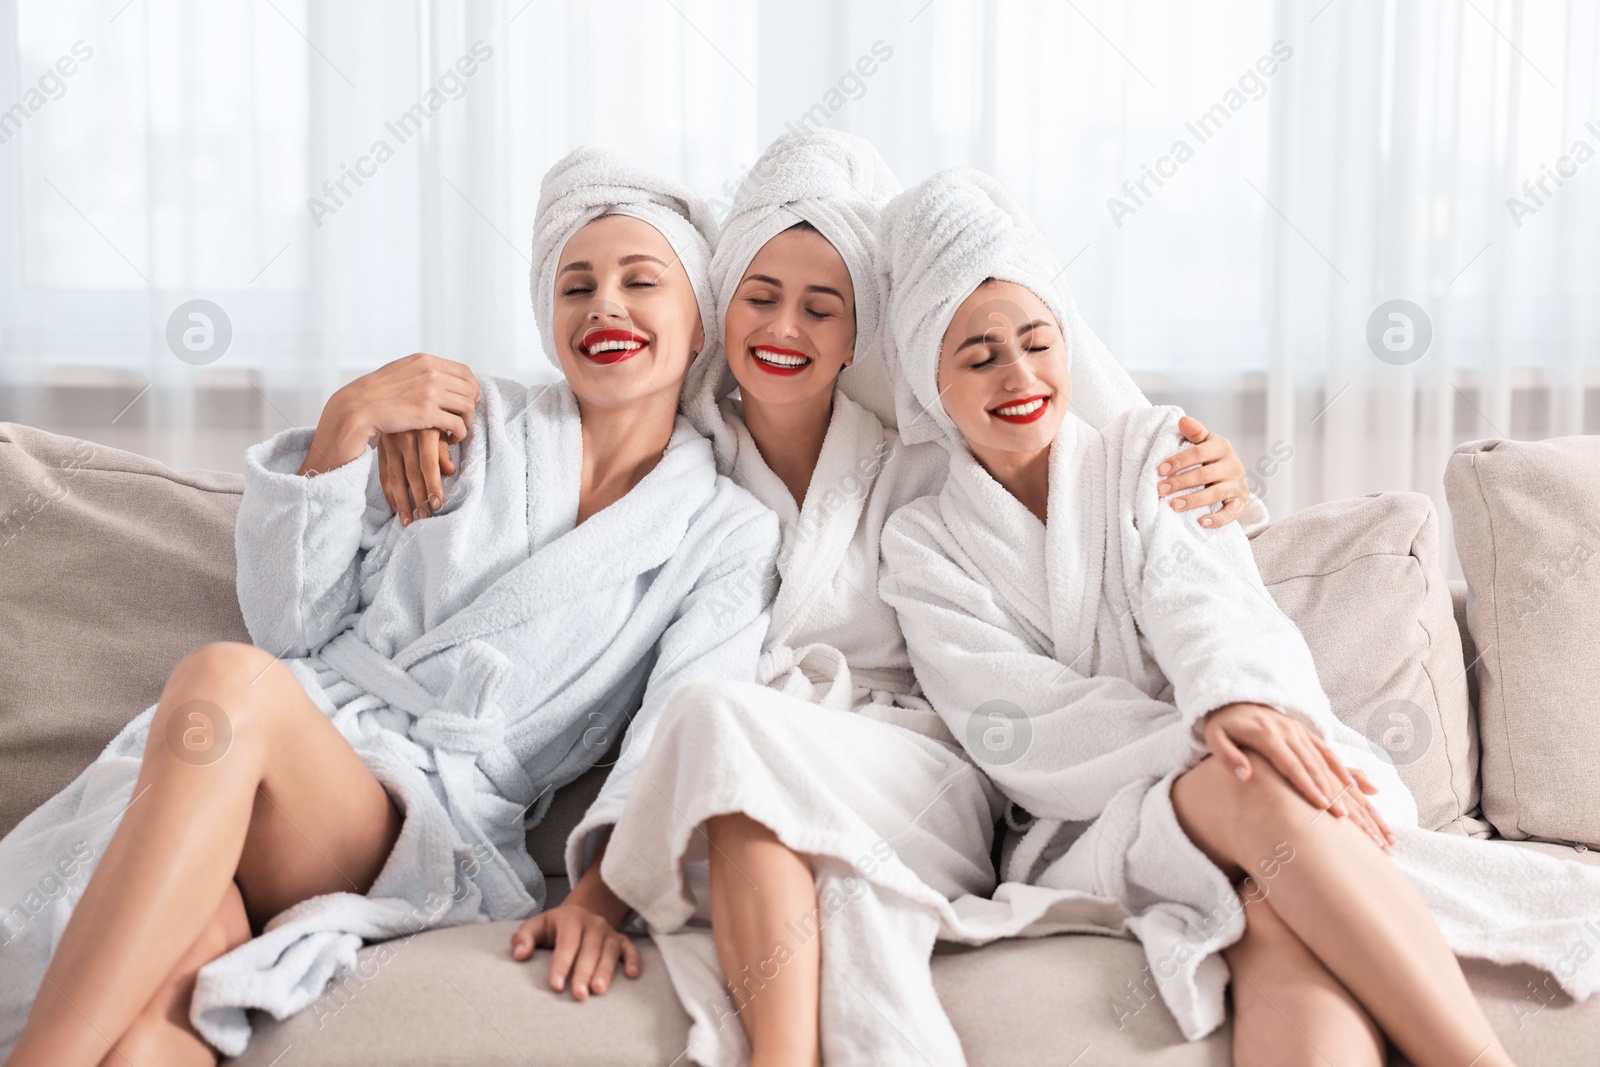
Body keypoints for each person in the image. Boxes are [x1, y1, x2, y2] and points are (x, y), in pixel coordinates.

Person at [385, 130, 1254, 1066]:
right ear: (722, 310)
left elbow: (1056, 450)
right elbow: (561, 444)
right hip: (740, 781)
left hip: (914, 775)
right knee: (740, 769)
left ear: (857, 334)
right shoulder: (679, 460)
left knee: (725, 726)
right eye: (759, 298)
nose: (785, 329)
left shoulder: (921, 458)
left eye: (822, 307)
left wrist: (1208, 474)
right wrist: (406, 407)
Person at [0, 147, 778, 1067]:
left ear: (699, 329)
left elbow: (681, 731)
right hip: (283, 778)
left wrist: (598, 897)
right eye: (576, 286)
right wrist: (345, 423)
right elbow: (293, 629)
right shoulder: (464, 423)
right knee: (153, 1022)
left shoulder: (725, 530)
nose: (603, 304)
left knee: (221, 679)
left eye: (639, 281)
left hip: (425, 821)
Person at [877, 167, 1600, 1067]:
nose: (1019, 374)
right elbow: (1013, 721)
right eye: (978, 356)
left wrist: (1235, 701)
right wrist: (1210, 735)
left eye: (1038, 341)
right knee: (1254, 781)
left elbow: (1206, 595)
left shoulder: (1149, 449)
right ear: (929, 380)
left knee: (1276, 915)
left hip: (1245, 744)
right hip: (1087, 822)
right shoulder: (923, 541)